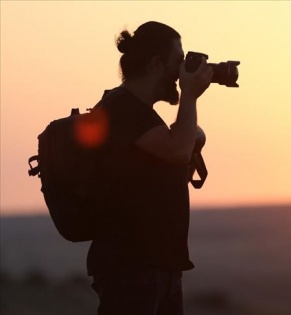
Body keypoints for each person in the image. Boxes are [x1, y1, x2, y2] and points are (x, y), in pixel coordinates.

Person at [86, 21, 213, 315]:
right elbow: (178, 151)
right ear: (156, 65)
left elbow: (172, 155)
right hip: (132, 269)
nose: (183, 72)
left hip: (157, 266)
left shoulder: (140, 114)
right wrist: (191, 95)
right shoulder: (121, 109)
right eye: (179, 61)